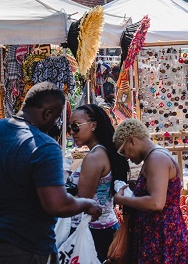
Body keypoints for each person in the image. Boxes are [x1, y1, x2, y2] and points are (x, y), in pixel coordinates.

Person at [0, 83, 103, 264]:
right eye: (55, 119)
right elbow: (57, 205)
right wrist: (87, 203)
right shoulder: (44, 145)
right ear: (47, 114)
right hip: (29, 244)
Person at [113, 118, 188, 264]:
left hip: (161, 236)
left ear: (132, 140)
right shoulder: (155, 157)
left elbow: (156, 203)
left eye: (124, 151)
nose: (127, 157)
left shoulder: (156, 159)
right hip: (159, 234)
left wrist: (122, 199)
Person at [69, 104, 130, 261]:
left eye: (75, 127)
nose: (71, 132)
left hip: (93, 232)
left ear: (93, 125)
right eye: (70, 128)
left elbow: (83, 202)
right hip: (106, 226)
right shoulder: (104, 152)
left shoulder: (94, 157)